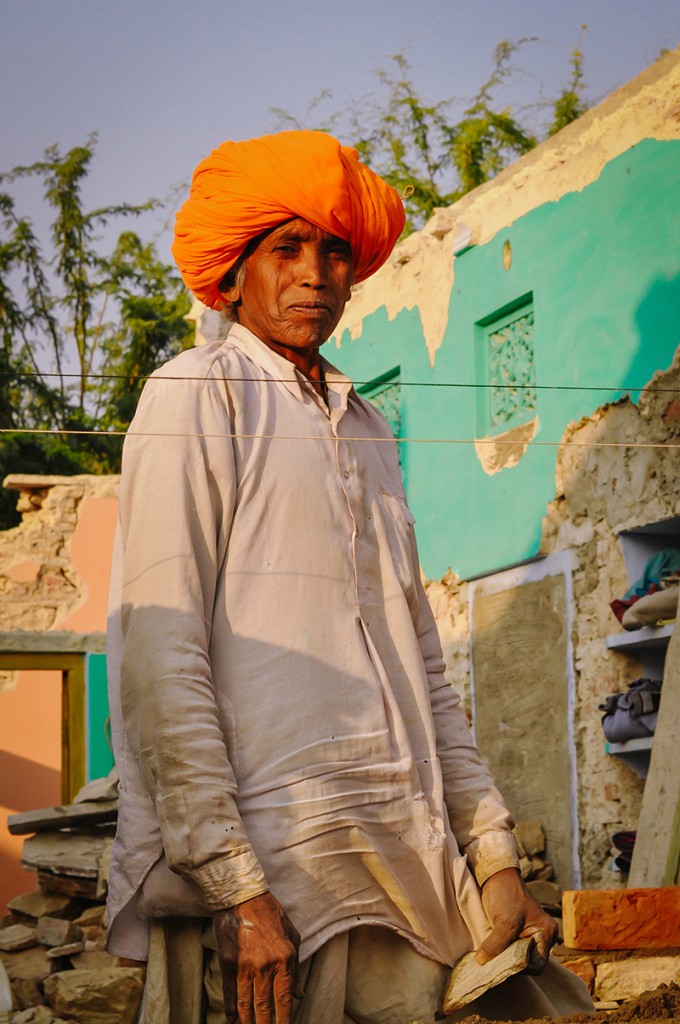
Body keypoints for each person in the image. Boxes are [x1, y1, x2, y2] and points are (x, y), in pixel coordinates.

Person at [106, 131, 592, 1024]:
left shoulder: (366, 426)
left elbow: (420, 663)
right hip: (266, 887)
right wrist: (236, 888)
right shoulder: (196, 393)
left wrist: (492, 855)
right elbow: (159, 659)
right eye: (285, 247)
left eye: (334, 249)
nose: (315, 273)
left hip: (401, 862)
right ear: (235, 269)